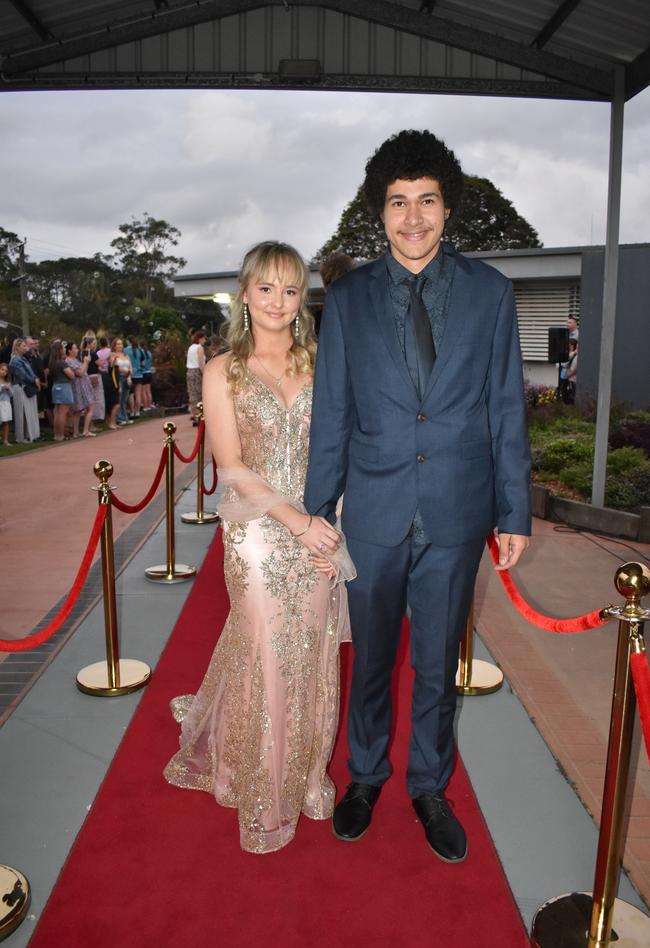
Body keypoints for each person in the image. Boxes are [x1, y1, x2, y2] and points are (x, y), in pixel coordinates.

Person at [304, 129, 531, 862]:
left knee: (437, 665)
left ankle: (429, 786)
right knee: (371, 659)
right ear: (381, 209)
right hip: (371, 512)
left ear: (447, 207)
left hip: (457, 512)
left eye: (426, 200)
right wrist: (316, 510)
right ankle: (365, 776)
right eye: (398, 202)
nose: (413, 218)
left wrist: (513, 511)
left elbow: (504, 405)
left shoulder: (492, 294)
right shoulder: (347, 299)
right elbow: (334, 410)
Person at [164, 241, 355, 854]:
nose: (277, 301)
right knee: (269, 651)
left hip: (321, 528)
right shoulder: (224, 369)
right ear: (245, 293)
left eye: (290, 289)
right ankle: (263, 790)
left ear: (303, 298)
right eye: (265, 288)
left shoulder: (326, 361)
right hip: (257, 531)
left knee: (315, 650)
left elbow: (344, 452)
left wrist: (330, 524)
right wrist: (295, 521)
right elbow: (232, 466)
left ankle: (305, 779)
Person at [8, 337, 40, 443]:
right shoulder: (15, 359)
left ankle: (30, 435)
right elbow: (22, 375)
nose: (26, 348)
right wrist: (34, 380)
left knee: (29, 412)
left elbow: (30, 372)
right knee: (21, 413)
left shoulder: (24, 358)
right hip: (20, 388)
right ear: (17, 347)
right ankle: (21, 437)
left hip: (27, 386)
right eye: (24, 346)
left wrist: (35, 378)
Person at [66, 341, 95, 437]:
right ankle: (85, 430)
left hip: (83, 386)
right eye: (74, 348)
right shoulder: (69, 361)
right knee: (88, 407)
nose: (77, 350)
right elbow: (80, 372)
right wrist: (86, 362)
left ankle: (76, 432)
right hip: (78, 388)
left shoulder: (75, 360)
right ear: (69, 350)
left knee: (78, 410)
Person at [48, 340, 75, 442]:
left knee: (57, 412)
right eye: (63, 348)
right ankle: (60, 435)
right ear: (60, 350)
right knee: (63, 412)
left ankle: (57, 434)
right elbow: (71, 375)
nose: (64, 349)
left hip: (56, 386)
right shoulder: (62, 363)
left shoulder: (52, 362)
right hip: (64, 386)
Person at [81, 331, 105, 424]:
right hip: (94, 376)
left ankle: (90, 423)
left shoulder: (83, 352)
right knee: (96, 400)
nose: (94, 346)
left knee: (89, 400)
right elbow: (101, 364)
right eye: (93, 344)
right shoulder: (93, 353)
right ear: (89, 344)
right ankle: (93, 421)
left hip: (86, 376)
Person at [185, 329, 207, 425]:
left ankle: (194, 415)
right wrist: (205, 374)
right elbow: (200, 362)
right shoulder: (199, 348)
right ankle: (200, 416)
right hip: (197, 372)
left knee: (192, 394)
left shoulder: (191, 347)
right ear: (200, 339)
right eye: (203, 339)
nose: (205, 341)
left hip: (190, 372)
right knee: (199, 394)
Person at [110, 337, 133, 425]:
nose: (120, 346)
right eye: (118, 344)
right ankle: (119, 418)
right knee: (119, 398)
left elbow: (130, 367)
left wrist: (129, 376)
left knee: (124, 399)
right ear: (114, 346)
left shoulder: (126, 355)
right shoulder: (112, 354)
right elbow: (113, 366)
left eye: (121, 344)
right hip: (118, 378)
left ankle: (124, 417)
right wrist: (122, 370)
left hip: (127, 378)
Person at [561, 336, 578, 403]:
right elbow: (563, 364)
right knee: (564, 396)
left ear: (572, 345)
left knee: (570, 398)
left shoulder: (575, 355)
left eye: (569, 344)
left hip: (572, 380)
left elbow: (575, 369)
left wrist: (569, 375)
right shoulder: (569, 354)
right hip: (565, 378)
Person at [0, 362, 13, 446]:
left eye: (6, 371)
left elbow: (12, 395)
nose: (4, 372)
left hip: (6, 403)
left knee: (6, 421)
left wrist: (8, 389)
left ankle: (5, 440)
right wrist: (1, 387)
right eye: (2, 369)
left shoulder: (7, 382)